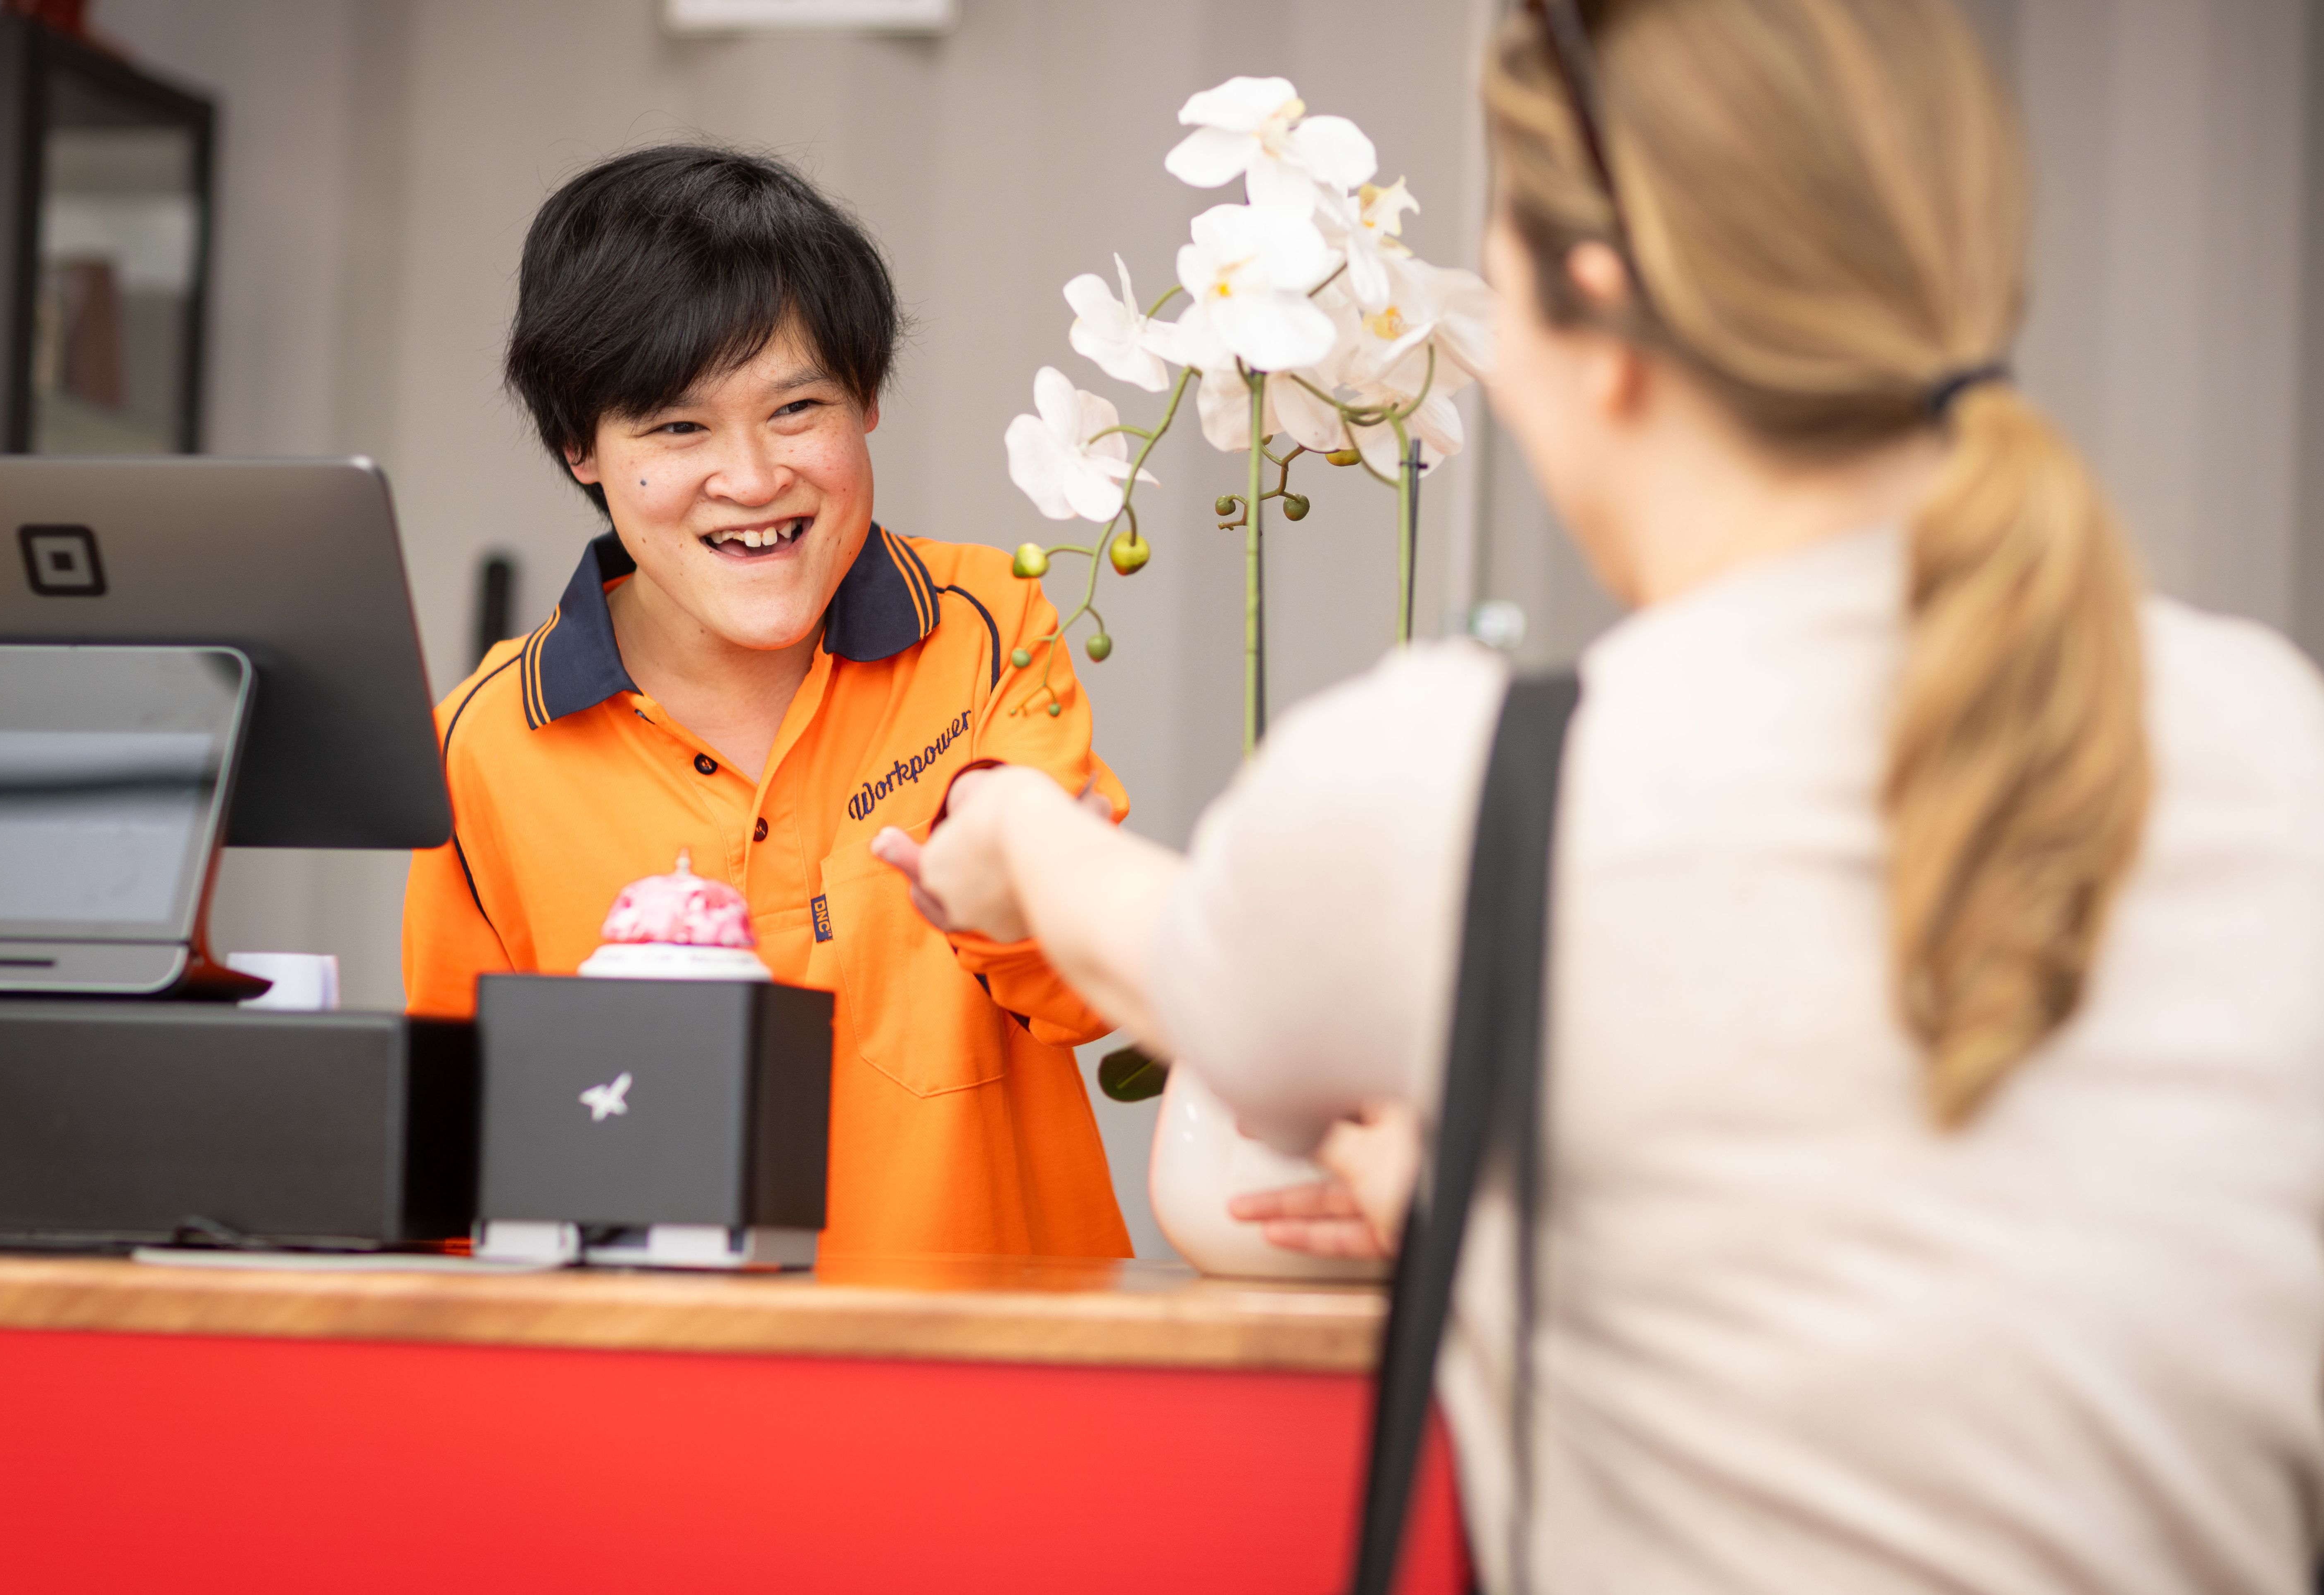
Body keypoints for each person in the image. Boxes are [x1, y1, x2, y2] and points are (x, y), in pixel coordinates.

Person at [874, 0, 2324, 1588]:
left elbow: (1168, 952)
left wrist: (1011, 838)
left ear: (1596, 301)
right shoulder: (2276, 731)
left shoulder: (1473, 783)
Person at [404, 145, 1132, 1262]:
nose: (750, 480)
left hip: (995, 1385)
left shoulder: (989, 626)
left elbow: (1085, 1001)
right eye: (677, 429)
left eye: (796, 409)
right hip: (661, 1399)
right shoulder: (482, 744)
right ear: (578, 447)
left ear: (867, 400)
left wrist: (1013, 890)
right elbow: (462, 1184)